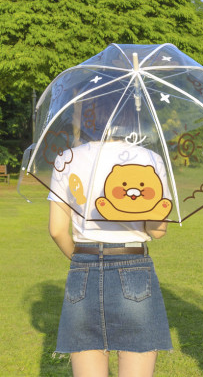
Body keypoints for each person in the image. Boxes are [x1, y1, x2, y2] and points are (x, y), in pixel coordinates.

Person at [48, 139, 172, 377]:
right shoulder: (150, 158)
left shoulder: (66, 159)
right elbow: (157, 230)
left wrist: (81, 261)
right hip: (134, 266)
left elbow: (56, 230)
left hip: (83, 265)